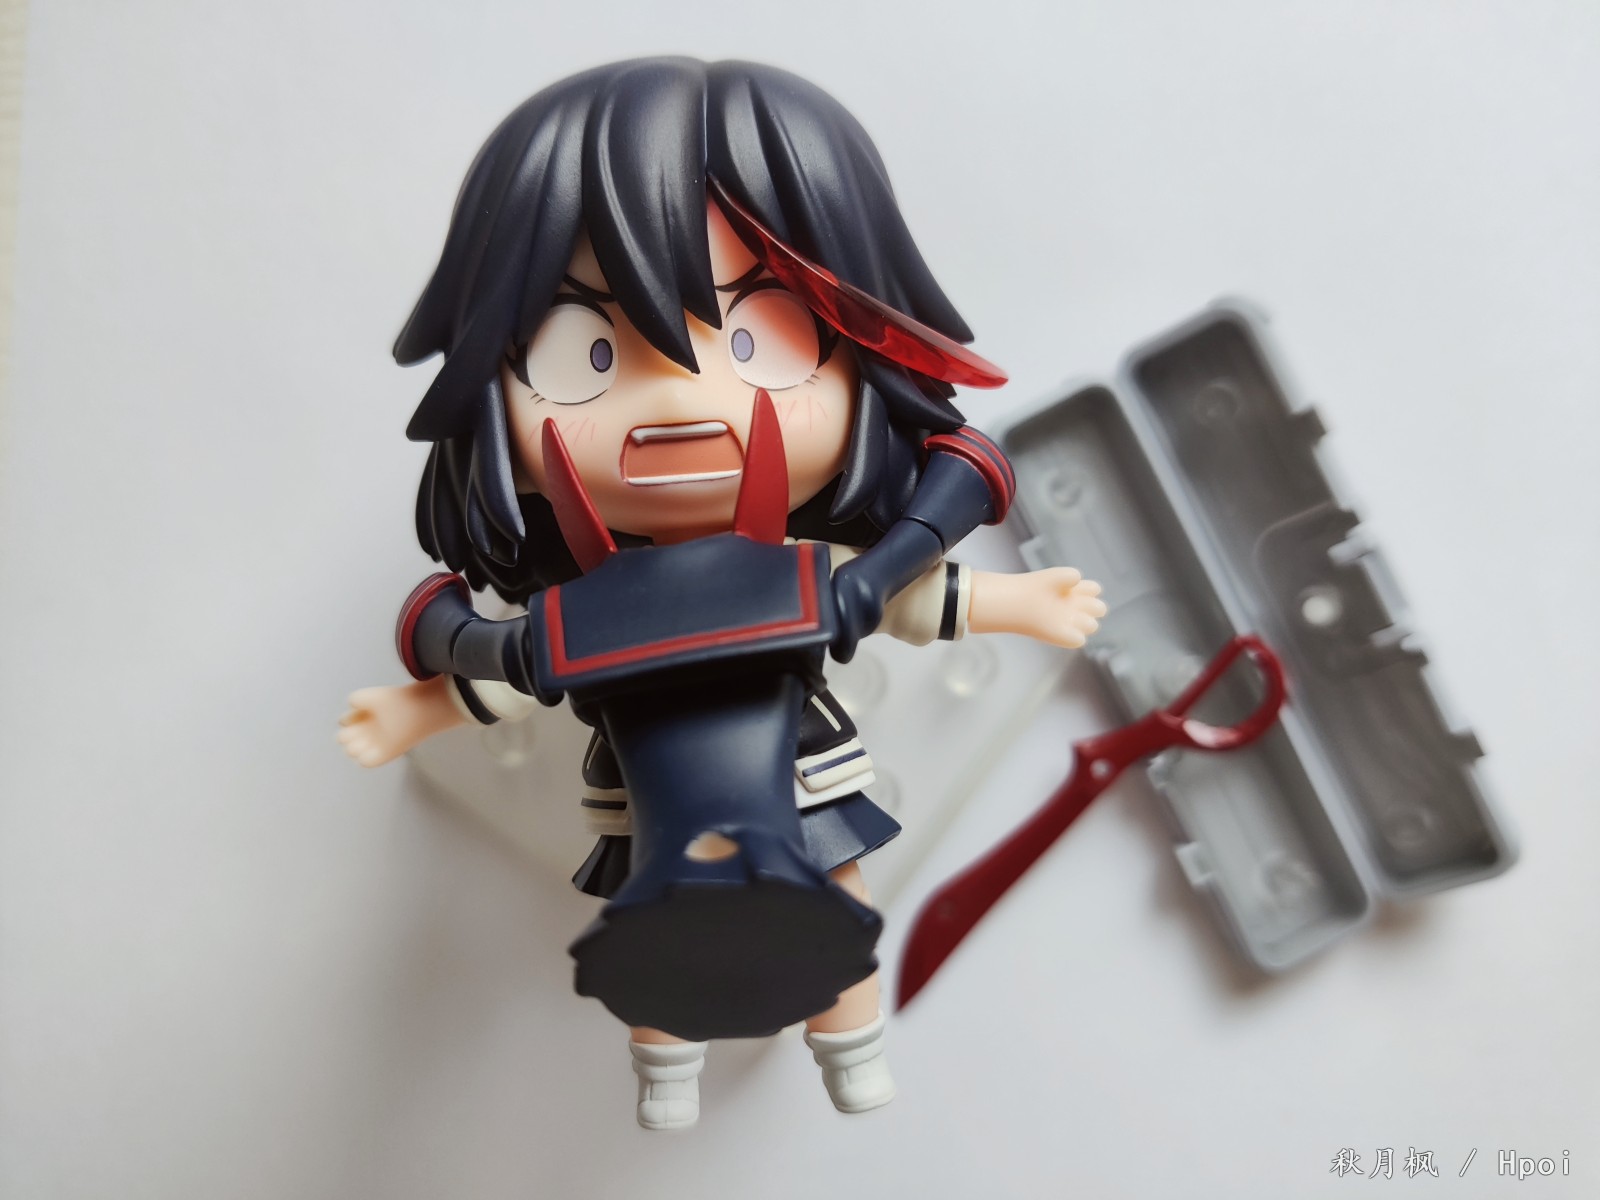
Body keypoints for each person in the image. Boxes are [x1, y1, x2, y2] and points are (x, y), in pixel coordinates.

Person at [339, 58, 1104, 1130]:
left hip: (799, 768)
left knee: (837, 902)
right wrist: (415, 707)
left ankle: (850, 1049)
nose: (682, 397)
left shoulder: (804, 575)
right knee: (658, 937)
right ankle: (668, 1070)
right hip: (646, 793)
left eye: (759, 335)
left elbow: (893, 599)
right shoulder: (582, 611)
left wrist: (1016, 603)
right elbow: (511, 669)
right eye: (584, 347)